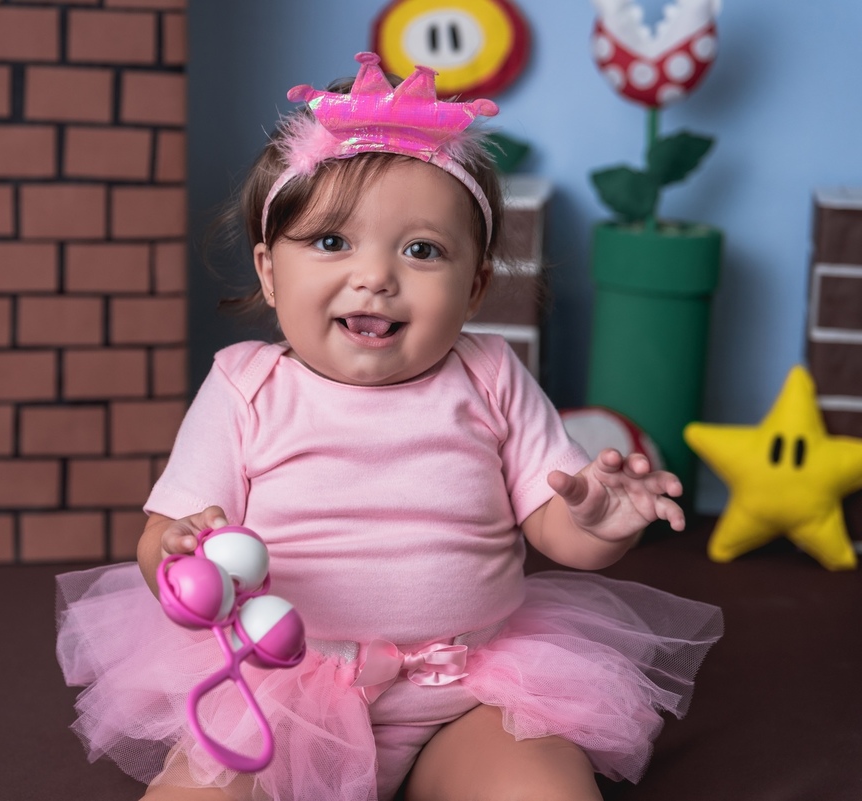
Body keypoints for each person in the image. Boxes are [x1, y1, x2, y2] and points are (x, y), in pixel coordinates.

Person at [56, 52, 722, 801]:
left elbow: (556, 528)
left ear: (475, 286)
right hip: (278, 688)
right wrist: (180, 552)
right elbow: (161, 539)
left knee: (547, 792)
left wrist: (599, 524)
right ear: (269, 271)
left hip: (470, 693)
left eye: (421, 250)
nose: (376, 276)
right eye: (331, 242)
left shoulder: (490, 375)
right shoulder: (247, 386)